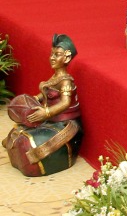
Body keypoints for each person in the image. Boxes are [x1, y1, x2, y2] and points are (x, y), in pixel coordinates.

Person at [2, 34, 82, 177]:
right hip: (50, 120)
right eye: (51, 54)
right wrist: (34, 99)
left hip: (65, 124)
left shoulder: (65, 81)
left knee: (28, 144)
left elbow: (65, 103)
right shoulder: (55, 77)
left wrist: (46, 113)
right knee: (17, 132)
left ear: (67, 58)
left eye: (57, 55)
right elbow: (46, 93)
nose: (52, 58)